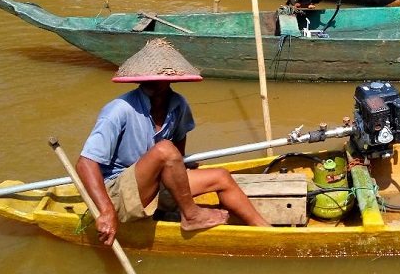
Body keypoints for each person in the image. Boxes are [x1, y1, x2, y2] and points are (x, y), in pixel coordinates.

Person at [77, 38, 270, 246]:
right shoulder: (119, 110)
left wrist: (181, 165)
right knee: (164, 150)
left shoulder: (178, 104)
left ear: (171, 79)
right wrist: (106, 212)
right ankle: (192, 216)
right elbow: (85, 163)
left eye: (157, 78)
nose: (150, 82)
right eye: (146, 77)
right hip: (118, 195)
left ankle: (265, 232)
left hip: (156, 184)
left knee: (221, 177)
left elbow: (179, 144)